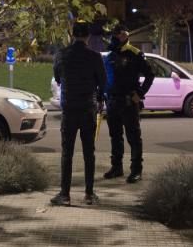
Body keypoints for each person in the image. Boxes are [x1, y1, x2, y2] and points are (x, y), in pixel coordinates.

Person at [51, 22, 107, 206]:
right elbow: (103, 82)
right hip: (87, 109)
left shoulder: (62, 55)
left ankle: (65, 195)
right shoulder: (94, 56)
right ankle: (89, 194)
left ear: (73, 34)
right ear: (88, 36)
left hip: (69, 109)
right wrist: (98, 98)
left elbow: (58, 78)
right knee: (88, 152)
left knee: (67, 153)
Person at [103, 27, 154, 183]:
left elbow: (150, 75)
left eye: (119, 34)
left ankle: (136, 170)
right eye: (114, 34)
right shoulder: (110, 56)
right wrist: (102, 96)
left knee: (133, 137)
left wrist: (139, 94)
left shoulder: (135, 54)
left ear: (125, 35)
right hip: (112, 102)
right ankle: (117, 167)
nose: (115, 36)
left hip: (128, 102)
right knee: (115, 136)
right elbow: (105, 79)